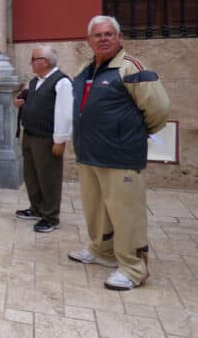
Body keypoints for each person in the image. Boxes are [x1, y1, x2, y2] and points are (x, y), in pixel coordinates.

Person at [68, 16, 169, 291]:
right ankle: (102, 252)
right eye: (97, 35)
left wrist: (132, 134)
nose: (103, 38)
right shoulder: (84, 69)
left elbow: (159, 110)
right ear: (89, 41)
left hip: (121, 157)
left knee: (127, 214)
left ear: (120, 38)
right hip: (89, 155)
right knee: (96, 210)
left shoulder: (132, 68)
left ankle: (134, 269)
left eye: (108, 34)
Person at [13, 45, 72, 233]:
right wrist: (19, 104)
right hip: (30, 134)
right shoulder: (35, 81)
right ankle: (36, 208)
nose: (30, 62)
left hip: (47, 138)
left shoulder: (62, 82)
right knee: (32, 175)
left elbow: (64, 112)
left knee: (49, 178)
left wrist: (60, 140)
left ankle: (51, 217)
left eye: (33, 59)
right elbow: (32, 103)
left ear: (44, 62)